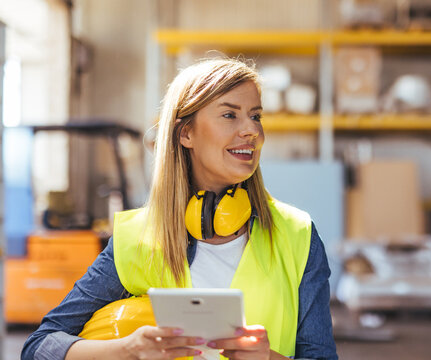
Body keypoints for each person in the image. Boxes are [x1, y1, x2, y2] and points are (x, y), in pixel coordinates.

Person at [22, 58, 337, 360]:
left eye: (255, 116)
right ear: (186, 133)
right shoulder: (137, 240)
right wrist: (125, 350)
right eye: (230, 115)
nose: (252, 130)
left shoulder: (297, 235)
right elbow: (39, 346)